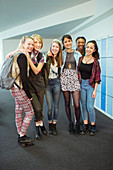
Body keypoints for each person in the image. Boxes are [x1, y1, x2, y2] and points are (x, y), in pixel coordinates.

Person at [10, 36, 34, 146]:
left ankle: (20, 134)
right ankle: (22, 136)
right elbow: (24, 78)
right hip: (19, 88)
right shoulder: (22, 56)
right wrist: (29, 95)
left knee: (19, 111)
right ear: (23, 44)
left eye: (32, 44)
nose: (31, 46)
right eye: (28, 44)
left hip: (14, 87)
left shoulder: (16, 54)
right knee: (30, 112)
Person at [77, 40, 101, 136]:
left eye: (91, 48)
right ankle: (85, 124)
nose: (89, 49)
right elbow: (78, 72)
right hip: (82, 84)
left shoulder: (95, 62)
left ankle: (93, 125)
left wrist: (95, 90)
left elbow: (97, 78)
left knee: (90, 107)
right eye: (87, 47)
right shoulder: (80, 59)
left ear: (94, 50)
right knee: (83, 105)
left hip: (90, 85)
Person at [26, 34, 47, 140]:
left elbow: (36, 71)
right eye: (36, 42)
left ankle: (39, 126)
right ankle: (39, 126)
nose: (38, 44)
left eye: (40, 42)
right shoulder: (25, 53)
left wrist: (29, 59)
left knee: (40, 109)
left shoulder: (42, 56)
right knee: (37, 108)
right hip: (30, 86)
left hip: (39, 85)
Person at [60, 34, 81, 135]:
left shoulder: (77, 54)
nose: (67, 43)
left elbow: (81, 66)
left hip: (74, 78)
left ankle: (77, 124)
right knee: (67, 102)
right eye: (65, 42)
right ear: (63, 44)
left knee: (76, 104)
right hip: (64, 78)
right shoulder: (61, 53)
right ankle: (70, 123)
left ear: (71, 42)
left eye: (69, 41)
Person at [45, 39, 63, 135]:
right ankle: (50, 124)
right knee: (49, 107)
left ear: (59, 48)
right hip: (47, 84)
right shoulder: (46, 57)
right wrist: (47, 57)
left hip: (56, 82)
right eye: (53, 46)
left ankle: (54, 124)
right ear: (51, 47)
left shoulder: (60, 59)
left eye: (57, 47)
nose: (55, 48)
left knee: (56, 106)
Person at [73, 36, 86, 123]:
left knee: (85, 103)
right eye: (79, 42)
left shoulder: (87, 53)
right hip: (75, 80)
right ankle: (76, 120)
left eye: (82, 42)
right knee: (75, 103)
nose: (80, 44)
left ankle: (86, 121)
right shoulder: (73, 53)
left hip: (86, 81)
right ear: (76, 43)